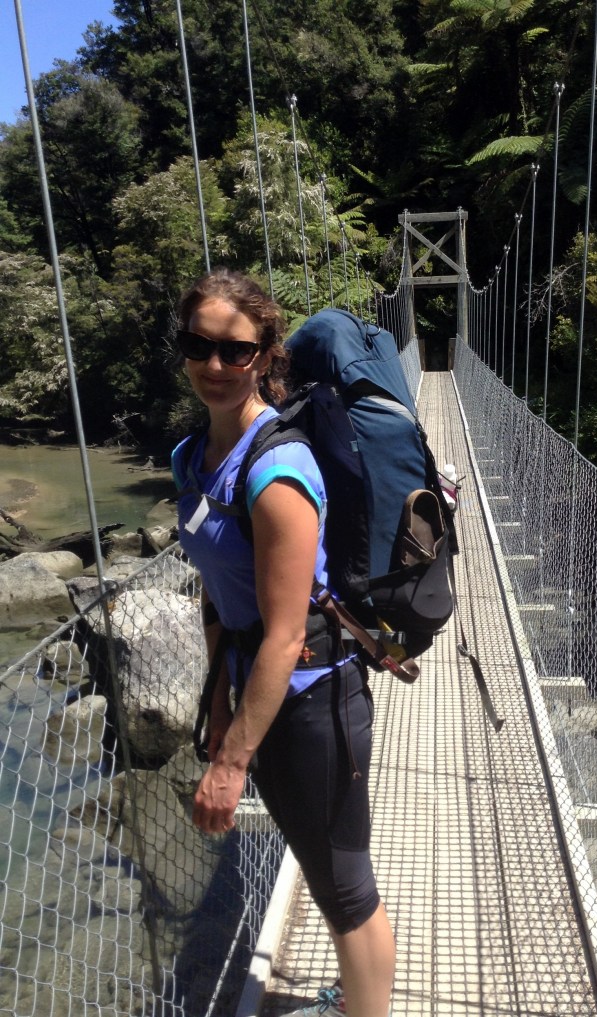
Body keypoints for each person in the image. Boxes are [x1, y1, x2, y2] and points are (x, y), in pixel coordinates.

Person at [171, 268, 395, 1016]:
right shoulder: (190, 460)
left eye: (235, 350)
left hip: (313, 701)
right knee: (325, 872)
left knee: (345, 885)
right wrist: (220, 700)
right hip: (261, 695)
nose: (214, 365)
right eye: (198, 345)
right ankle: (355, 996)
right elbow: (218, 589)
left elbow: (286, 631)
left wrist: (231, 761)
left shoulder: (277, 471)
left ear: (265, 355)